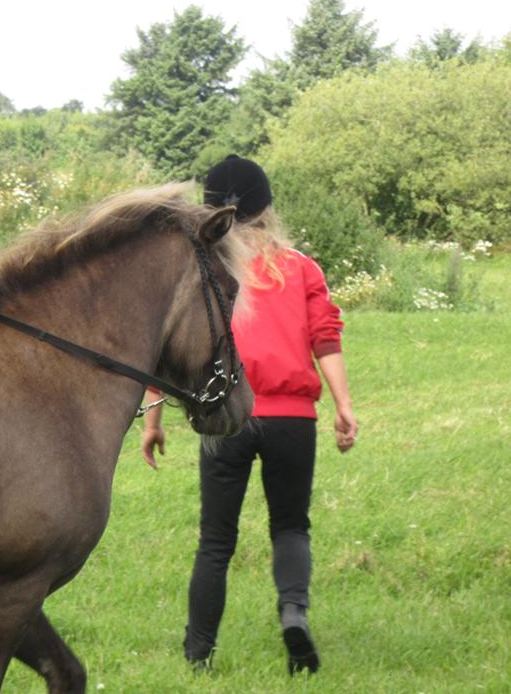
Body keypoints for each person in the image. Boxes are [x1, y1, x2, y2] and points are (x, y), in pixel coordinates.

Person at [140, 155, 359, 675]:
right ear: (267, 207)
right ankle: (293, 612)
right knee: (290, 526)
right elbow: (326, 336)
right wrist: (344, 405)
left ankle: (198, 655)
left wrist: (153, 419)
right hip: (293, 420)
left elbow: (166, 346)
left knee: (216, 539)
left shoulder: (203, 271)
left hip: (225, 416)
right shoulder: (301, 267)